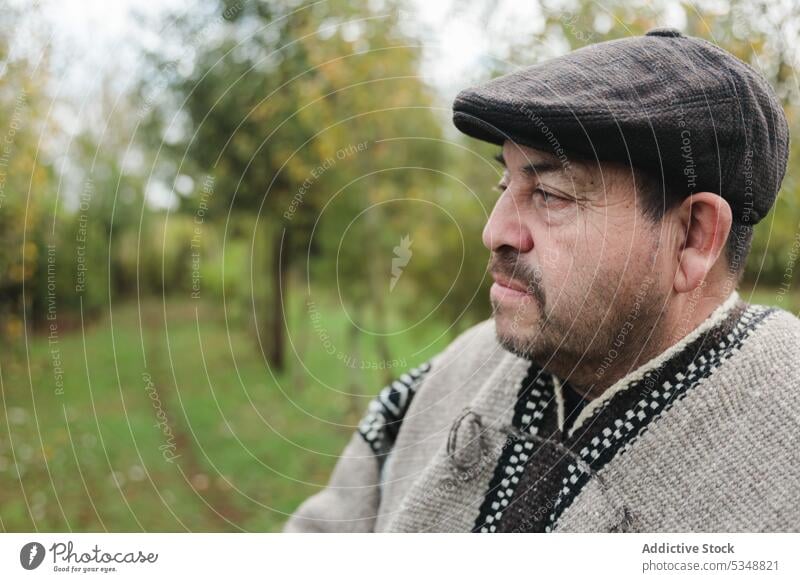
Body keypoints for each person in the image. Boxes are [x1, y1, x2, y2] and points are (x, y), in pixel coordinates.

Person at [284, 27, 800, 533]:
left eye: (551, 195)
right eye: (505, 183)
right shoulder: (460, 368)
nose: (495, 232)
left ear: (692, 237)